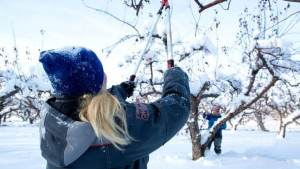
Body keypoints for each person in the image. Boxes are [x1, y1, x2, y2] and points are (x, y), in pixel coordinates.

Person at [39, 46, 191, 169]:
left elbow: (94, 102)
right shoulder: (116, 126)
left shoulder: (53, 119)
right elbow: (176, 107)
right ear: (96, 82)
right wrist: (175, 75)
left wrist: (122, 89)